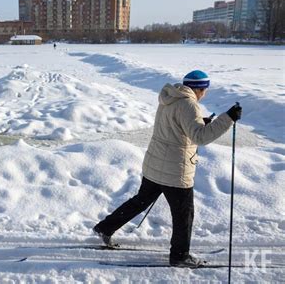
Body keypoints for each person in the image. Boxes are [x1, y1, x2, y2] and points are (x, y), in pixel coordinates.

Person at [93, 70, 242, 268]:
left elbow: (176, 125)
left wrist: (201, 123)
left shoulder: (169, 98)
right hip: (175, 170)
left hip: (155, 164)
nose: (205, 93)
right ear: (200, 89)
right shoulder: (189, 104)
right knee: (183, 214)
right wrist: (228, 118)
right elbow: (200, 138)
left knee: (140, 201)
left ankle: (105, 227)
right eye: (205, 89)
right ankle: (180, 256)